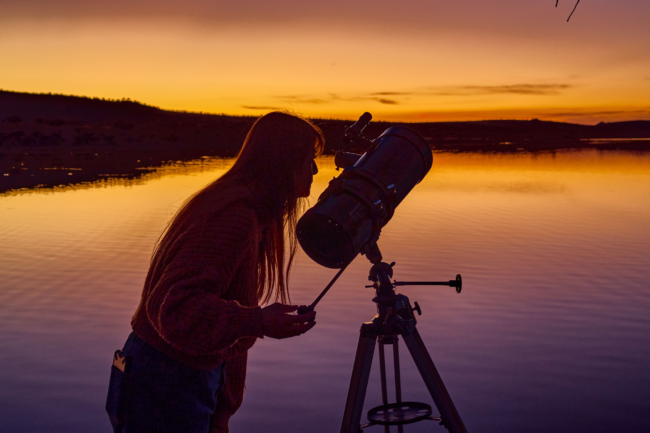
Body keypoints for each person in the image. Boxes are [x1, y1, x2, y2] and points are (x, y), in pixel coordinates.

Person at [106, 112, 324, 433]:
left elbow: (213, 330)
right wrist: (258, 321)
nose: (317, 169)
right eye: (310, 160)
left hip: (175, 375)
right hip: (168, 382)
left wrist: (220, 414)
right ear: (284, 164)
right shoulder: (233, 217)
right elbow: (178, 308)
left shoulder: (249, 212)